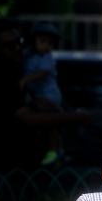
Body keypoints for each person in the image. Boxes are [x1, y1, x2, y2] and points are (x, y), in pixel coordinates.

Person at [0, 21, 91, 168]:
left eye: (19, 42)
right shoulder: (3, 80)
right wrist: (74, 117)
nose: (18, 48)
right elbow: (29, 119)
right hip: (11, 166)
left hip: (27, 165)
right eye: (10, 45)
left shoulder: (20, 73)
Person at [20, 22, 68, 167]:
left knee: (48, 123)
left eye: (50, 42)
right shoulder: (28, 55)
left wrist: (24, 81)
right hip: (37, 97)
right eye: (42, 41)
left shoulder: (48, 58)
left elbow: (42, 73)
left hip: (48, 96)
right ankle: (60, 151)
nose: (46, 45)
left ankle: (54, 150)